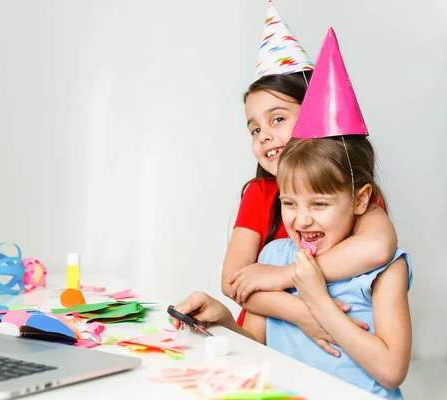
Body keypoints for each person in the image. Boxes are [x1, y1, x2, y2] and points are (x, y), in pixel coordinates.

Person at [172, 28, 412, 399]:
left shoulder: (378, 256)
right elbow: (248, 311)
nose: (301, 219)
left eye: (319, 203)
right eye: (288, 202)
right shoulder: (270, 243)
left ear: (359, 200)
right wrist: (222, 317)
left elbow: (379, 249)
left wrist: (301, 285)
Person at [222, 1, 397, 355]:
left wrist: (283, 277)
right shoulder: (259, 193)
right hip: (266, 341)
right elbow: (233, 281)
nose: (264, 135)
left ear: (314, 114)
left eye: (277, 119)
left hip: (338, 344)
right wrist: (303, 312)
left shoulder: (348, 189)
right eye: (254, 128)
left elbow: (378, 248)